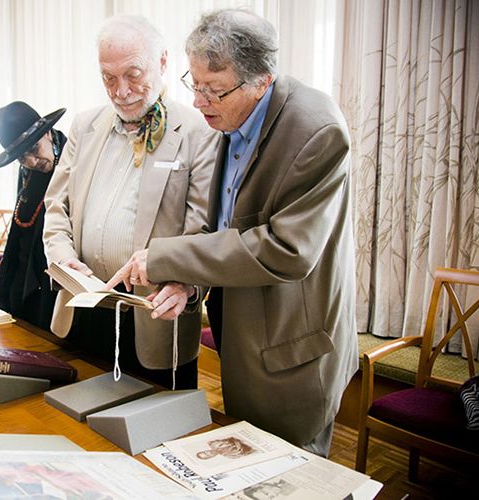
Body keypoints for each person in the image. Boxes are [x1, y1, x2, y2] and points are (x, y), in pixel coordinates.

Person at [107, 8, 358, 456]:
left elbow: (286, 249)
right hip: (244, 345)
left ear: (262, 80)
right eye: (194, 84)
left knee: (290, 475)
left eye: (213, 90)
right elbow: (222, 224)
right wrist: (188, 280)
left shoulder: (316, 130)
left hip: (292, 354)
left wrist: (168, 259)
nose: (199, 101)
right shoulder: (229, 116)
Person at [43, 14, 218, 390]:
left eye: (133, 74)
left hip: (153, 316)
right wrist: (60, 255)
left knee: (153, 436)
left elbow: (203, 229)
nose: (121, 90)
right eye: (109, 78)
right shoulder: (84, 126)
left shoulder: (199, 131)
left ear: (163, 62)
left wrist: (185, 284)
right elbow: (57, 206)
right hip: (84, 307)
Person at [0, 101, 65, 331]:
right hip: (24, 268)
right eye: (22, 158)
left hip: (56, 272)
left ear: (49, 134)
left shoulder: (74, 161)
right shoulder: (28, 172)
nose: (31, 162)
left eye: (34, 149)